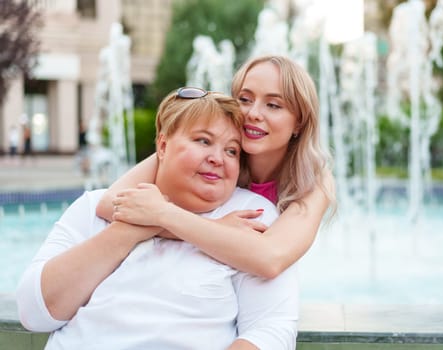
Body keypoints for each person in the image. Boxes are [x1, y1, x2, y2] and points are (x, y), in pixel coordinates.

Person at [16, 88, 298, 349]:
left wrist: (169, 218)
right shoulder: (95, 207)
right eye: (203, 140)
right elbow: (34, 313)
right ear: (162, 146)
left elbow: (270, 329)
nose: (217, 158)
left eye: (232, 150)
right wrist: (132, 228)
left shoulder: (250, 215)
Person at [97, 55, 336, 279]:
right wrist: (212, 229)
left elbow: (270, 259)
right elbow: (111, 203)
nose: (253, 113)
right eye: (245, 99)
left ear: (299, 123)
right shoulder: (212, 155)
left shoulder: (313, 179)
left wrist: (162, 214)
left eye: (273, 105)